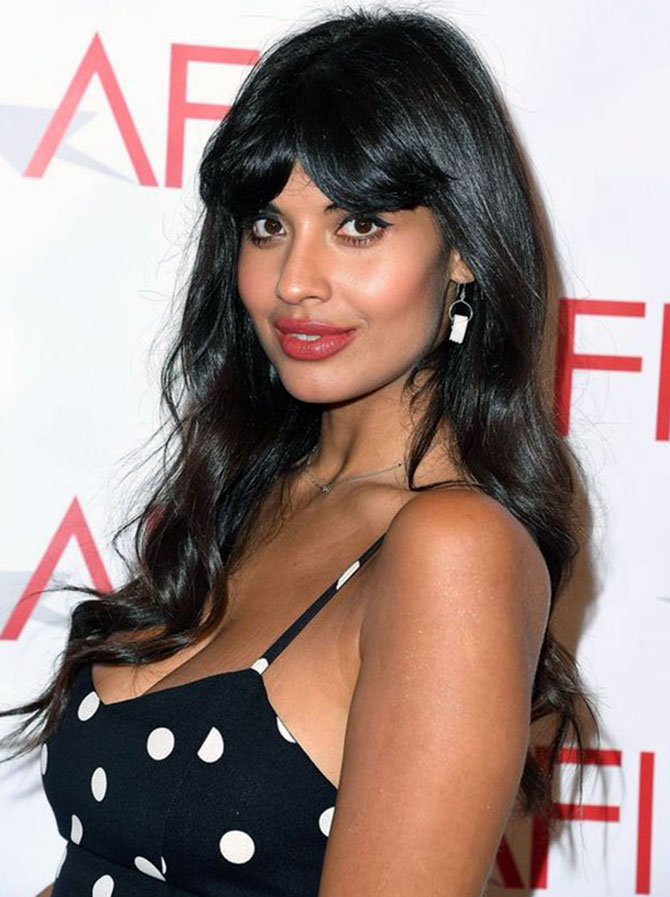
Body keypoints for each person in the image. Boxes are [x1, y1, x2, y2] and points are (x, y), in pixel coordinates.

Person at [3, 5, 600, 896]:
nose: (293, 282)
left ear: (464, 250)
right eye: (268, 225)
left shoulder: (452, 550)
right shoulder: (248, 494)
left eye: (358, 225)